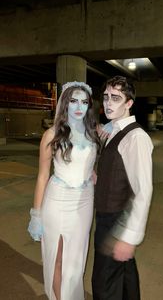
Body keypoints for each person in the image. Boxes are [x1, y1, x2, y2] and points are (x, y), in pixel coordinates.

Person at [28, 81, 100, 300]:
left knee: (76, 260)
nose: (79, 106)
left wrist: (91, 171)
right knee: (58, 258)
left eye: (84, 102)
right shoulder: (51, 134)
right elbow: (42, 176)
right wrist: (37, 215)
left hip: (85, 202)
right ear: (64, 103)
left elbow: (94, 157)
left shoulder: (93, 132)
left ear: (89, 106)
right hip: (57, 201)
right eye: (73, 101)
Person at [92, 76, 153, 300]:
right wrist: (100, 178)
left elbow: (143, 191)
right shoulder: (114, 130)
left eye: (116, 98)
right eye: (106, 97)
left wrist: (128, 237)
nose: (108, 103)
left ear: (129, 103)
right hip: (111, 216)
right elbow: (119, 172)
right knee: (125, 281)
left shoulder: (136, 137)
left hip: (115, 221)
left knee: (104, 286)